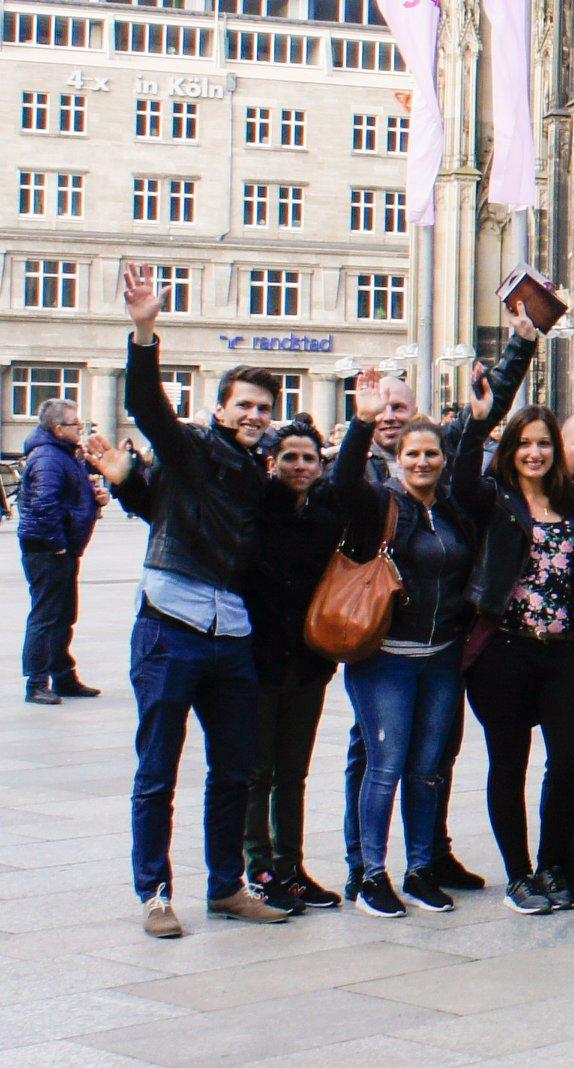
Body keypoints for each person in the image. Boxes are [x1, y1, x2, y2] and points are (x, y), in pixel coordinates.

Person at [117, 263, 290, 936]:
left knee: (235, 771)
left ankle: (227, 886)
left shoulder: (259, 474)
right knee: (159, 768)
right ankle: (155, 894)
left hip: (231, 634)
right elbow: (147, 406)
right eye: (243, 405)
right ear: (221, 409)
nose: (253, 416)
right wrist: (144, 328)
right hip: (171, 623)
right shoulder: (189, 450)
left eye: (262, 409)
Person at [333, 371, 475, 918]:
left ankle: (419, 869)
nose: (422, 463)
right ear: (398, 459)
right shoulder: (379, 504)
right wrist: (361, 423)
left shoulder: (450, 507)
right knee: (385, 765)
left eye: (431, 454)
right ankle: (371, 873)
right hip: (386, 658)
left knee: (428, 767)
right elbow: (343, 484)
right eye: (413, 454)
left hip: (440, 658)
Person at [455, 392, 574, 915]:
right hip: (505, 651)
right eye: (525, 444)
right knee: (509, 763)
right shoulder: (493, 498)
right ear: (510, 449)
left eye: (543, 444)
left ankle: (551, 863)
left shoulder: (571, 502)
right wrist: (477, 424)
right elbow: (460, 479)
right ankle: (519, 875)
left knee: (571, 758)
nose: (535, 453)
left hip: (563, 651)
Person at [241, 423, 345, 912]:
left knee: (293, 773)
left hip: (308, 663)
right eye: (289, 458)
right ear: (271, 463)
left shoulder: (326, 520)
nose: (299, 466)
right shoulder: (257, 510)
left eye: (309, 458)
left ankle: (291, 867)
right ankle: (259, 869)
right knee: (257, 771)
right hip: (257, 661)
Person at [17, 397, 104, 704]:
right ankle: (37, 683)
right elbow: (44, 505)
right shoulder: (49, 458)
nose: (80, 428)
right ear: (57, 429)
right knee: (46, 615)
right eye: (74, 424)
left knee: (63, 614)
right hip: (47, 549)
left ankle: (64, 677)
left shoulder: (65, 454)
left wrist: (96, 500)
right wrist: (56, 545)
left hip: (62, 546)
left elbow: (69, 498)